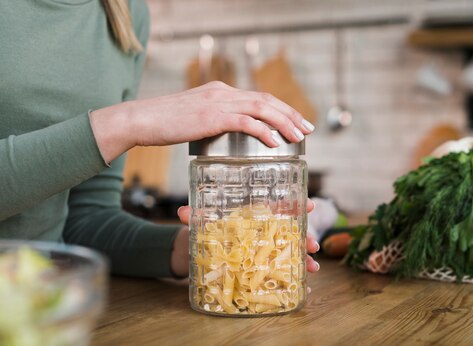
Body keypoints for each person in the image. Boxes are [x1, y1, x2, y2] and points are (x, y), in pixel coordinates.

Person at [0, 0, 320, 279]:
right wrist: (128, 122)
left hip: (36, 306)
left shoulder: (123, 11)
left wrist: (196, 249)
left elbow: (85, 220)